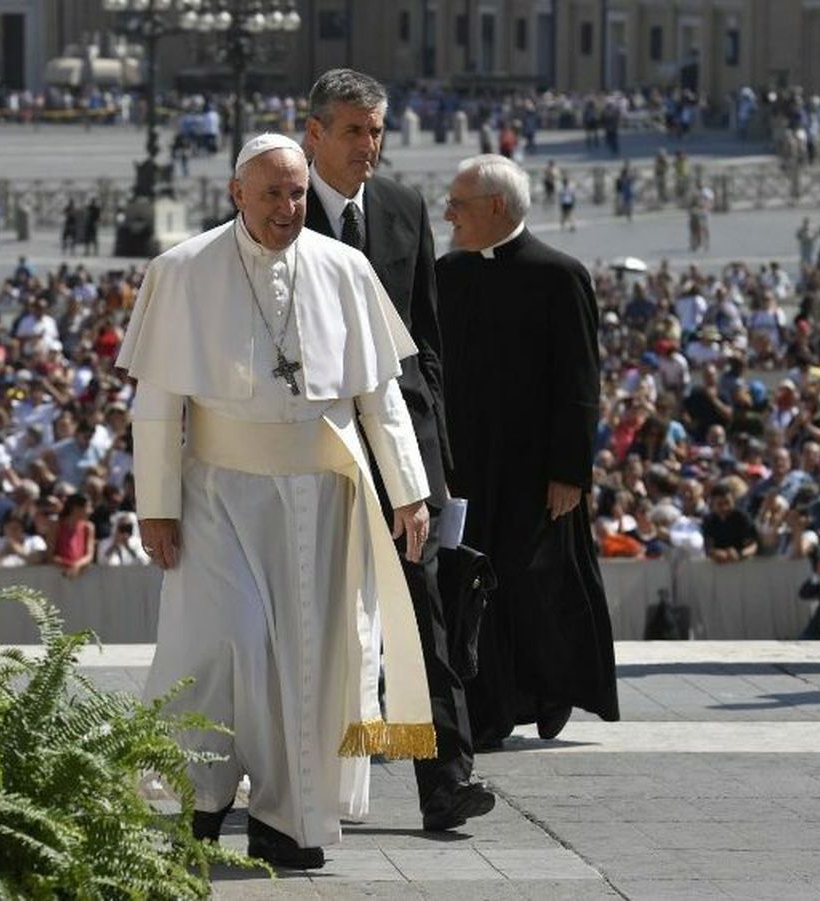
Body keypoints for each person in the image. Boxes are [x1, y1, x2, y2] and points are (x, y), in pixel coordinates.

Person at [119, 133, 435, 870]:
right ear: (237, 194)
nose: (288, 208)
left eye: (297, 193)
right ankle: (192, 803)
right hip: (218, 496)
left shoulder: (345, 269)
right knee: (221, 643)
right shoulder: (183, 270)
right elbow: (159, 405)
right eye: (272, 194)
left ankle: (291, 821)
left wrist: (409, 492)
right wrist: (155, 505)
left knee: (311, 659)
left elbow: (380, 396)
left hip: (324, 496)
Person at [302, 68, 492, 833]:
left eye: (376, 131)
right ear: (313, 133)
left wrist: (432, 452)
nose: (368, 147)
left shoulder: (403, 207)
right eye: (353, 131)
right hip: (314, 448)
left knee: (423, 618)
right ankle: (304, 776)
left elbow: (426, 342)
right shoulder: (280, 208)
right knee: (318, 615)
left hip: (404, 451)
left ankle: (444, 778)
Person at [436, 153, 619, 751]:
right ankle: (486, 707)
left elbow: (579, 383)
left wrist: (570, 471)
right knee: (471, 584)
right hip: (467, 463)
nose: (447, 215)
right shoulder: (448, 274)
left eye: (458, 205)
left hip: (535, 470)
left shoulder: (559, 274)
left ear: (495, 207)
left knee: (537, 586)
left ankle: (549, 690)